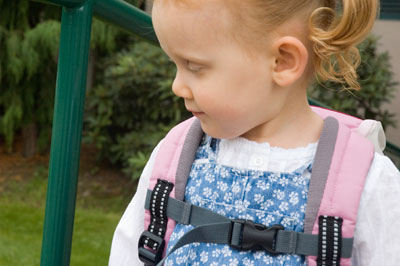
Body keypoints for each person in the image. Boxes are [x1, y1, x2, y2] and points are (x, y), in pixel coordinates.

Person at [109, 0, 400, 265]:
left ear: (283, 61)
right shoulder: (174, 161)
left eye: (195, 67)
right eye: (175, 64)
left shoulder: (363, 183)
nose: (177, 86)